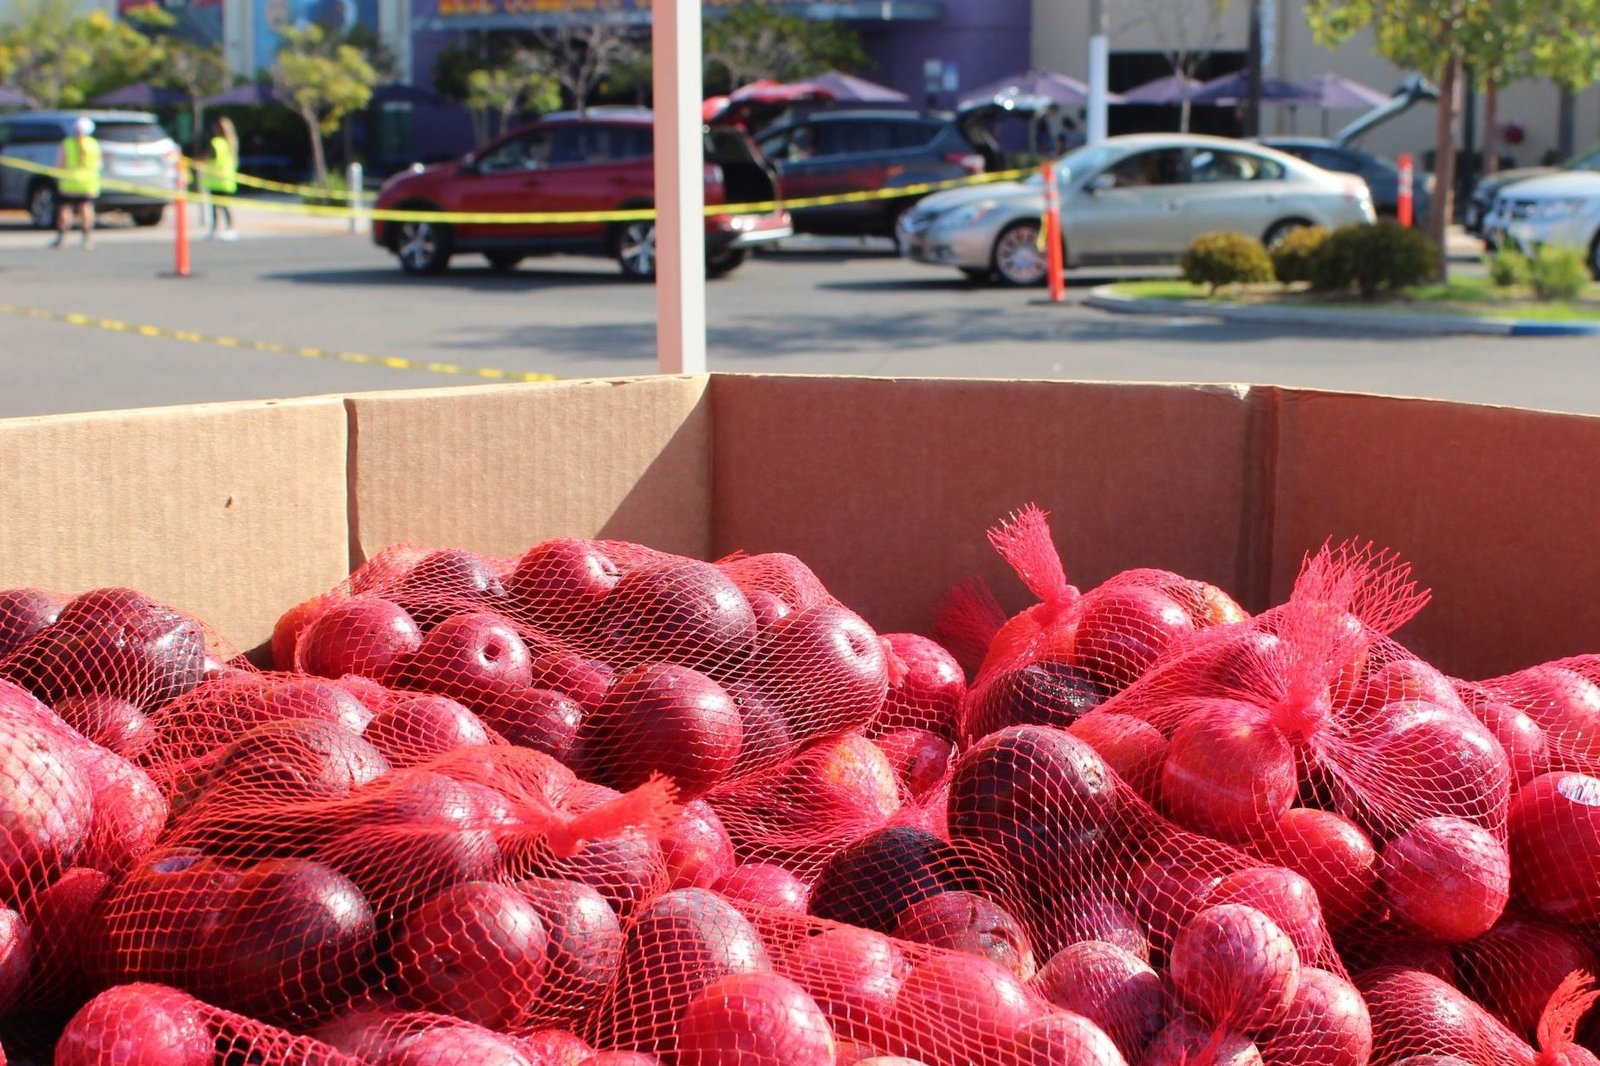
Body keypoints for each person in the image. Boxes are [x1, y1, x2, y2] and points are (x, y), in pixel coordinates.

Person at [53, 117, 101, 249]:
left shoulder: (67, 143)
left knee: (65, 208)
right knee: (86, 208)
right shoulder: (94, 144)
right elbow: (98, 164)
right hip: (88, 182)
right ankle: (87, 238)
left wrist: (58, 178)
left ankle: (62, 237)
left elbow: (59, 164)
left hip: (69, 182)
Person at [202, 116, 240, 240]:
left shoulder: (217, 143)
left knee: (217, 207)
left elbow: (209, 157)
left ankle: (218, 229)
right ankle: (227, 228)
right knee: (224, 206)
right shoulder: (232, 143)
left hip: (216, 180)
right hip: (227, 179)